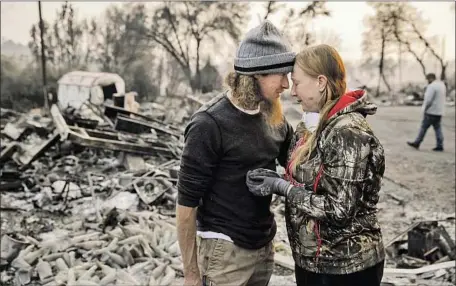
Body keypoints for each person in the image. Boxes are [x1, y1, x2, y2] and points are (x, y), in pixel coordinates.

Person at [246, 44, 386, 286]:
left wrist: (282, 188)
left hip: (345, 268)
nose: (292, 92)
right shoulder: (314, 123)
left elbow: (338, 211)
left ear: (320, 82)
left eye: (297, 82)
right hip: (316, 263)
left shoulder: (347, 132)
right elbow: (311, 179)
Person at [176, 20, 295, 286]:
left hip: (263, 247)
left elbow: (299, 165)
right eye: (281, 75)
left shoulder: (273, 115)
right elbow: (186, 207)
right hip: (224, 253)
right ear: (257, 75)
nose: (287, 84)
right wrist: (192, 274)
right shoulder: (209, 124)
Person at [407, 73, 446, 151]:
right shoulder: (442, 85)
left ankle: (417, 142)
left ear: (431, 78)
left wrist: (425, 109)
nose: (427, 81)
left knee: (423, 127)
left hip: (431, 111)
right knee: (438, 128)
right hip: (439, 111)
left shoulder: (431, 86)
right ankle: (440, 145)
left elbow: (428, 100)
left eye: (428, 79)